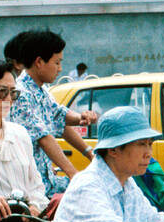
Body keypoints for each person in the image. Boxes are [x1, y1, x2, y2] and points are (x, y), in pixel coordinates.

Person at [6, 30, 99, 197]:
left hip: (48, 180)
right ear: (39, 62)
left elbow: (59, 118)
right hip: (32, 189)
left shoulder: (42, 90)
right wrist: (72, 173)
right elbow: (43, 137)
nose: (60, 69)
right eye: (57, 63)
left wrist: (88, 149)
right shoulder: (21, 93)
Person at [0, 59, 48, 217]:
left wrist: (34, 206)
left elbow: (36, 184)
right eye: (2, 92)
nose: (8, 100)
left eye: (13, 93)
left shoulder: (19, 134)